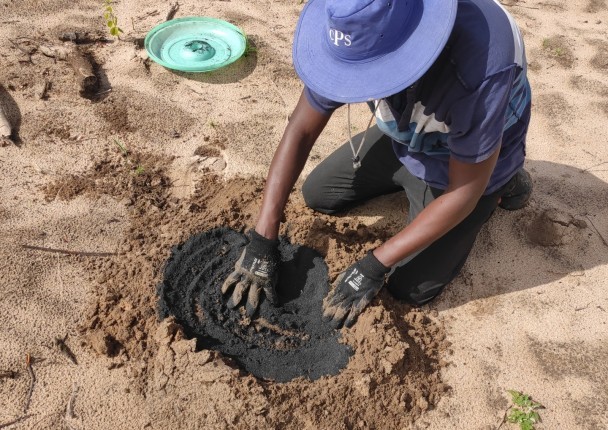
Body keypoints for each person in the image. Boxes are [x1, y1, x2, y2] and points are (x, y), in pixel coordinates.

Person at [221, 0, 532, 328]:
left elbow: (464, 192)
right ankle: (411, 170)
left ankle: (506, 179)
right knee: (318, 194)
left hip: (465, 164)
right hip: (407, 131)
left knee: (409, 287)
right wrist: (263, 237)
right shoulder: (354, 25)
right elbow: (300, 129)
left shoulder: (480, 68)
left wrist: (373, 265)